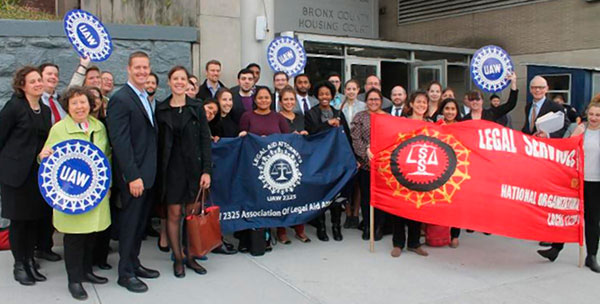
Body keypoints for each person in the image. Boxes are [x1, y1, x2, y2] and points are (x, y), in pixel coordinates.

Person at [38, 86, 111, 300]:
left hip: (95, 193)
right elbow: (47, 159)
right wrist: (42, 156)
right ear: (67, 107)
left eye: (83, 102)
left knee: (91, 236)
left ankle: (87, 272)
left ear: (90, 104)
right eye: (75, 103)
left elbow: (107, 158)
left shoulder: (98, 127)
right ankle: (74, 280)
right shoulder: (59, 129)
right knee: (74, 239)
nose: (80, 106)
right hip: (71, 195)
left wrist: (108, 186)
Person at [106, 51, 160, 293]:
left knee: (139, 225)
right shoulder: (121, 99)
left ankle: (134, 263)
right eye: (137, 67)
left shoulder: (143, 97)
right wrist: (132, 176)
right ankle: (125, 274)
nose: (141, 71)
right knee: (129, 225)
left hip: (147, 175)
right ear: (128, 69)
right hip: (134, 177)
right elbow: (120, 142)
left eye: (145, 67)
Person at [155, 66, 212, 278]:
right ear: (169, 82)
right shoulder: (161, 109)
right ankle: (177, 258)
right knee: (174, 214)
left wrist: (206, 171)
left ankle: (190, 256)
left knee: (191, 214)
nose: (179, 82)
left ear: (188, 83)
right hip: (170, 169)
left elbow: (205, 140)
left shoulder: (196, 107)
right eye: (175, 79)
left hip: (194, 169)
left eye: (183, 79)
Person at [0, 66, 52, 285]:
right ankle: (19, 264)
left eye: (39, 80)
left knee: (33, 220)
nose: (38, 84)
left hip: (36, 175)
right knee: (19, 222)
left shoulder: (45, 109)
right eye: (33, 81)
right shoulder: (14, 107)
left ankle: (30, 260)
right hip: (15, 175)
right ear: (22, 86)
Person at [537, 99, 600, 273]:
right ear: (587, 113)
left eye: (598, 115)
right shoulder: (579, 129)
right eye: (592, 114)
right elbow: (565, 148)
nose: (594, 118)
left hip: (595, 183)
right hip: (576, 180)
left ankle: (592, 255)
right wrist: (572, 136)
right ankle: (556, 249)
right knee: (566, 214)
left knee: (592, 220)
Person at [305, 81, 352, 242]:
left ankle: (336, 227)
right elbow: (310, 134)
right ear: (317, 96)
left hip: (336, 160)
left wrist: (351, 157)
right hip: (319, 160)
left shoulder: (338, 112)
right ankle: (321, 228)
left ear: (332, 96)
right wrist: (327, 124)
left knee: (336, 195)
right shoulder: (311, 113)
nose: (324, 97)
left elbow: (347, 136)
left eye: (327, 94)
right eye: (321, 94)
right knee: (320, 195)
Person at [390, 91, 429, 258]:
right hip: (403, 169)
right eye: (418, 102)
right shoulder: (402, 122)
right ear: (411, 104)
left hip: (422, 171)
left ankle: (414, 243)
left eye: (424, 103)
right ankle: (398, 243)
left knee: (417, 208)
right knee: (400, 207)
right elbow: (391, 140)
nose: (421, 105)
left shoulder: (431, 124)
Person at [36, 63, 65, 262]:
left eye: (55, 74)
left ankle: (45, 246)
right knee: (36, 208)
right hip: (40, 159)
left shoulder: (60, 102)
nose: (53, 77)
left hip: (59, 162)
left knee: (50, 207)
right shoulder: (36, 102)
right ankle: (33, 250)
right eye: (49, 74)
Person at [275, 86, 311, 244]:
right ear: (280, 102)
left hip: (299, 160)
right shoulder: (275, 117)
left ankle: (299, 229)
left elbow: (310, 134)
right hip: (282, 161)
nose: (289, 102)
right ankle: (281, 231)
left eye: (291, 99)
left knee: (300, 196)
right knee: (282, 196)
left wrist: (304, 135)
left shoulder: (300, 116)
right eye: (286, 99)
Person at [351, 88, 387, 241]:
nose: (373, 102)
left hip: (383, 166)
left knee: (381, 198)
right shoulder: (360, 117)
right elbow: (356, 139)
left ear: (381, 101)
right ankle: (367, 225)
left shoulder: (388, 118)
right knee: (366, 197)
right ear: (366, 101)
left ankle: (378, 226)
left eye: (376, 99)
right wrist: (366, 155)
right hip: (366, 164)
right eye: (371, 99)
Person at [436, 98, 462, 247]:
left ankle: (455, 235)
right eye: (447, 109)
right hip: (441, 168)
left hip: (458, 169)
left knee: (456, 204)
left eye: (453, 109)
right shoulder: (437, 125)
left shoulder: (462, 127)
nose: (450, 112)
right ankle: (439, 233)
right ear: (442, 111)